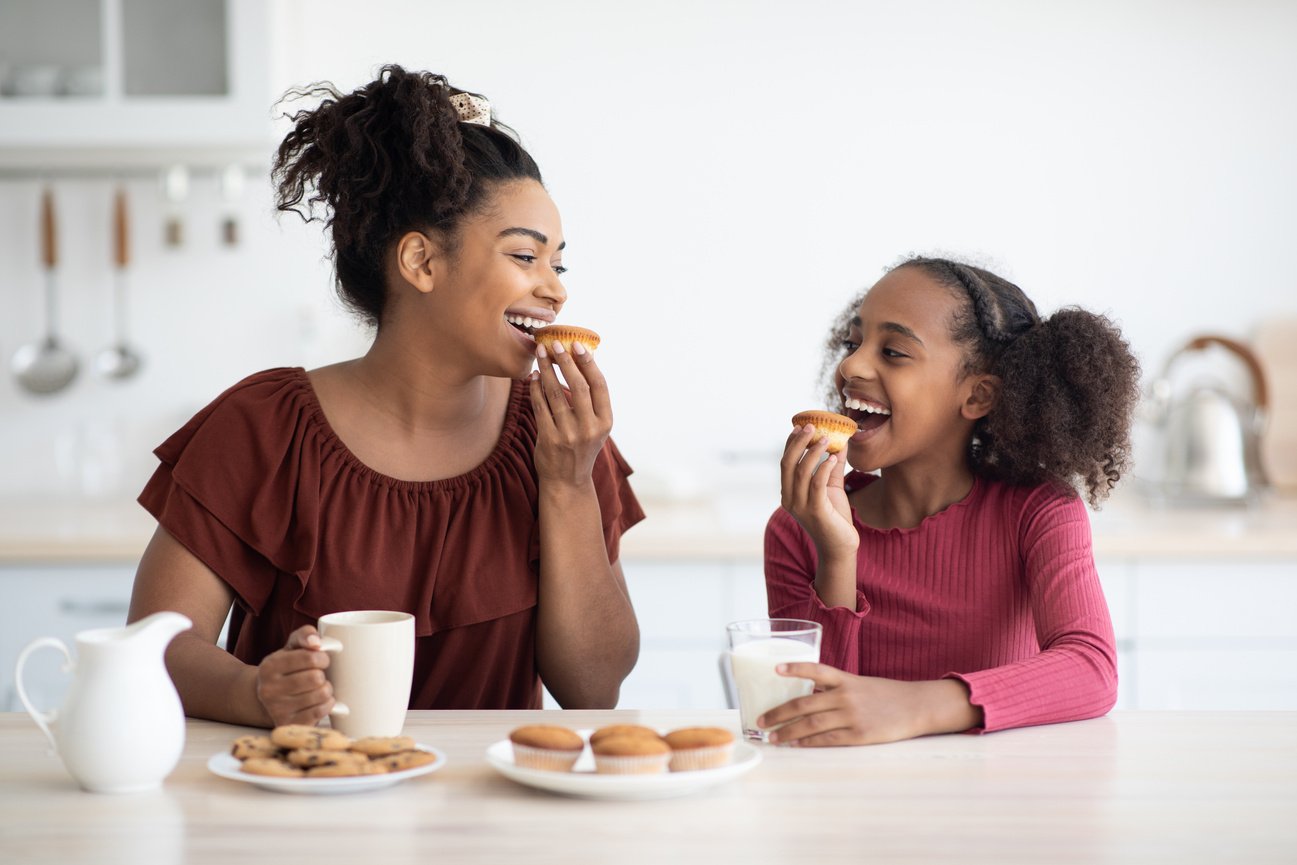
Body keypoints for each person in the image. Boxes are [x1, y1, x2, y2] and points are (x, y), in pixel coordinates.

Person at [126, 66, 644, 728]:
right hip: (301, 803)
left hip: (493, 817)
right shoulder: (261, 429)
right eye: (525, 257)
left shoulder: (560, 435)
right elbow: (156, 646)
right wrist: (255, 691)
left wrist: (569, 485)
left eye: (558, 263)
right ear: (422, 263)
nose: (556, 290)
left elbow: (593, 689)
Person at [762, 256, 1140, 746]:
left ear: (978, 396)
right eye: (853, 343)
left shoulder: (1038, 512)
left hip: (997, 801)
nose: (851, 365)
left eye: (893, 352)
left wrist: (916, 705)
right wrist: (837, 556)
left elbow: (1091, 668)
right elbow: (811, 719)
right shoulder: (799, 528)